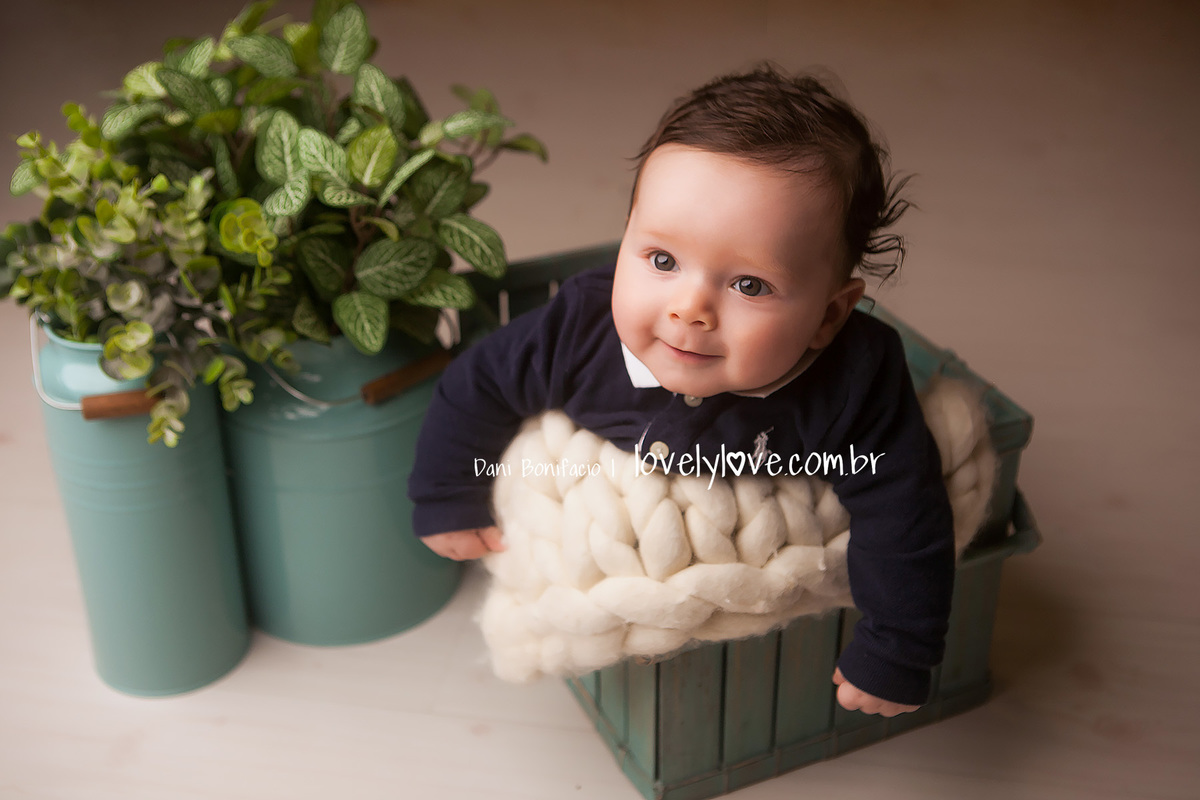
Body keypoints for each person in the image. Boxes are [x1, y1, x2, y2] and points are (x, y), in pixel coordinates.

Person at [407, 64, 955, 718]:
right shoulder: (580, 327)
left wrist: (899, 647)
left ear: (830, 316)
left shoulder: (854, 375)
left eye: (749, 285)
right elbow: (481, 381)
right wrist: (448, 491)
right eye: (661, 260)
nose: (690, 308)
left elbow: (905, 507)